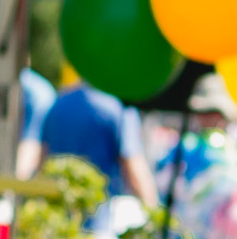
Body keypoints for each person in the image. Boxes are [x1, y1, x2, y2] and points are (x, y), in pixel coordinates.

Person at [39, 77, 158, 209]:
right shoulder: (120, 107)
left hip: (56, 213)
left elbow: (42, 160)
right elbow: (135, 170)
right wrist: (154, 213)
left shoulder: (58, 103)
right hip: (99, 217)